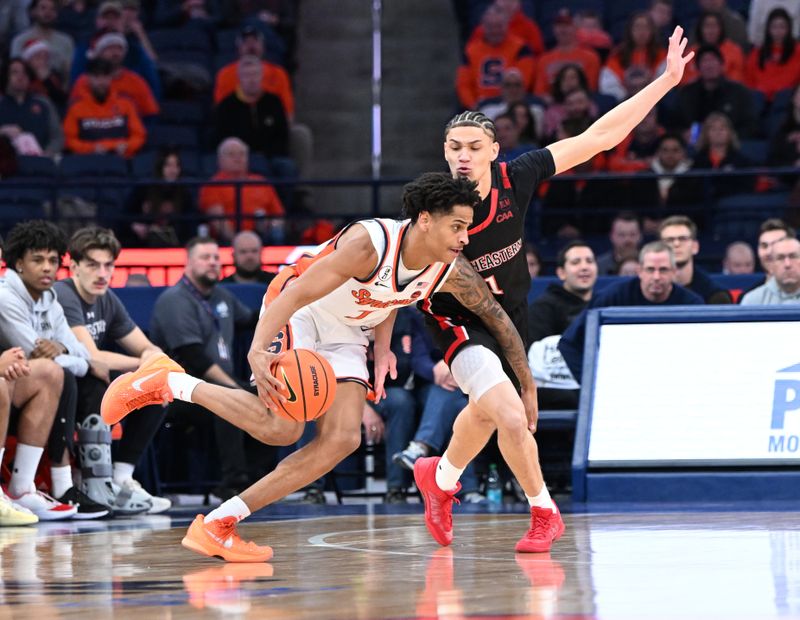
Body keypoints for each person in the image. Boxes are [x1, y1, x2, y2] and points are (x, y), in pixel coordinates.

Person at [101, 172, 535, 561]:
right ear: (425, 219)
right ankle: (167, 379)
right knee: (282, 427)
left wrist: (384, 348)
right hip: (301, 310)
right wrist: (257, 349)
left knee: (343, 438)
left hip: (349, 330)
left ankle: (218, 524)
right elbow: (296, 294)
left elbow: (485, 316)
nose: (464, 238)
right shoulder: (368, 244)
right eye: (456, 227)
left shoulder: (445, 268)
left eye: (466, 227)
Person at [417, 26, 693, 554]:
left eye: (475, 146)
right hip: (456, 321)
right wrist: (384, 344)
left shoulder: (516, 176)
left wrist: (664, 82)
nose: (463, 156)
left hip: (512, 312)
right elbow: (396, 269)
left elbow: (598, 137)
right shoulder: (429, 202)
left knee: (484, 412)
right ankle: (545, 511)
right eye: (454, 147)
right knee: (512, 413)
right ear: (444, 151)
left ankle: (442, 477)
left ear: (494, 150)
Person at [53, 226, 172, 514]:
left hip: (86, 382)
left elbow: (149, 349)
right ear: (74, 266)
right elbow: (92, 357)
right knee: (98, 381)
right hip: (61, 385)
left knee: (158, 388)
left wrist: (150, 365)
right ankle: (95, 482)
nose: (102, 273)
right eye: (93, 265)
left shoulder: (107, 298)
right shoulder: (63, 293)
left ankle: (122, 477)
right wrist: (142, 363)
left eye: (108, 265)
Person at [147, 236, 258, 501]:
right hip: (176, 392)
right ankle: (234, 484)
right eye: (205, 257)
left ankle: (260, 480)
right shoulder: (175, 300)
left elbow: (252, 320)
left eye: (216, 258)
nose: (212, 263)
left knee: (267, 400)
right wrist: (234, 389)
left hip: (214, 385)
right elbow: (193, 357)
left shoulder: (222, 296)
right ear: (188, 263)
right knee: (230, 402)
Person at [0, 220, 91, 520]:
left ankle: (22, 488)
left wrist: (62, 348)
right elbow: (29, 350)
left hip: (14, 391)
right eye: (37, 259)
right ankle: (63, 481)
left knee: (53, 373)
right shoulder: (5, 296)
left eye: (53, 260)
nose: (47, 268)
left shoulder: (51, 300)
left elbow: (82, 357)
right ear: (18, 264)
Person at [559, 242, 704, 382]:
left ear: (674, 272)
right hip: (621, 382)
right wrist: (592, 384)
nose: (656, 277)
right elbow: (569, 344)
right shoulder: (612, 298)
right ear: (639, 271)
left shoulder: (692, 305)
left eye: (664, 270)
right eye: (650, 269)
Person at [527, 241, 597, 410]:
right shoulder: (543, 307)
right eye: (575, 262)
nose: (584, 267)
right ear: (561, 272)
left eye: (589, 261)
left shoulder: (604, 304)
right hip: (554, 389)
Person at [198, 137, 284, 244]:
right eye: (231, 154)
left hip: (263, 235)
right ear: (220, 160)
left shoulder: (261, 182)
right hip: (230, 240)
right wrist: (240, 243)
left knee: (277, 234)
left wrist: (272, 225)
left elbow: (278, 215)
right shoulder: (213, 186)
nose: (238, 158)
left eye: (242, 154)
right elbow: (219, 222)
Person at [62, 57, 146, 158]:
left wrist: (128, 145)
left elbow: (139, 135)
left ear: (110, 78)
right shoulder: (76, 107)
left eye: (105, 76)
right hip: (88, 162)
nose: (101, 82)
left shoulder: (126, 103)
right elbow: (69, 140)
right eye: (96, 77)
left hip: (122, 160)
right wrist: (91, 148)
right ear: (88, 78)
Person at [457, 4, 536, 110]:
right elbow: (463, 85)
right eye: (490, 26)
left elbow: (522, 82)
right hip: (479, 105)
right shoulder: (471, 51)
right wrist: (474, 106)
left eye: (499, 26)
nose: (495, 31)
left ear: (507, 25)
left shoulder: (521, 49)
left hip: (511, 105)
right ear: (483, 27)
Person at [69, 28, 159, 119]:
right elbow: (74, 113)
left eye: (119, 48)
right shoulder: (83, 81)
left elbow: (150, 113)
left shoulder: (136, 81)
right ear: (99, 53)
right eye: (110, 48)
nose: (115, 53)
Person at [214, 55, 289, 159]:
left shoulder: (274, 102)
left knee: (285, 166)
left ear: (262, 76)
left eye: (255, 74)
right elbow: (221, 138)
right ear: (239, 78)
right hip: (238, 159)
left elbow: (282, 135)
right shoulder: (226, 105)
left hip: (272, 158)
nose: (252, 80)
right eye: (247, 75)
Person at [675, 45, 758, 138]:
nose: (709, 65)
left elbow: (750, 125)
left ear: (722, 65)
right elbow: (674, 125)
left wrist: (729, 137)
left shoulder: (739, 92)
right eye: (705, 61)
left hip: (731, 145)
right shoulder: (686, 93)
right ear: (698, 68)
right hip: (694, 145)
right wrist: (683, 134)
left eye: (713, 60)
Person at [213, 24, 294, 119]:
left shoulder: (278, 73)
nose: (251, 46)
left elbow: (287, 109)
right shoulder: (225, 74)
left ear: (263, 46)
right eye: (246, 42)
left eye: (255, 41)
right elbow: (220, 109)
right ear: (239, 48)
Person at [123, 148, 196, 248]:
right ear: (159, 167)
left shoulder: (184, 192)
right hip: (143, 244)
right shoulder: (143, 188)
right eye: (168, 165)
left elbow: (190, 223)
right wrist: (134, 225)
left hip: (176, 246)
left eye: (177, 166)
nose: (173, 170)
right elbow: (124, 215)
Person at [658, 215, 732, 303]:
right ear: (659, 248)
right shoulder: (645, 293)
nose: (676, 244)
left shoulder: (715, 295)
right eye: (669, 240)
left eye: (683, 239)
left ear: (695, 247)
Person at [0, 58, 63, 157]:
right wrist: (2, 131)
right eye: (14, 72)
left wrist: (48, 154)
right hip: (5, 166)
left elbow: (57, 137)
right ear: (5, 76)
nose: (21, 76)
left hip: (40, 164)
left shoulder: (44, 103)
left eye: (25, 73)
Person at [533, 9, 601, 96]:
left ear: (576, 27)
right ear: (553, 29)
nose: (563, 29)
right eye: (559, 25)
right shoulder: (544, 60)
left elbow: (591, 90)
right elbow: (540, 94)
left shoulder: (591, 58)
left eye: (567, 25)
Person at [600, 13, 666, 101]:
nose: (642, 32)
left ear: (652, 31)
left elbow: (666, 83)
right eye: (637, 27)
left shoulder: (662, 55)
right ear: (630, 30)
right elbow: (609, 86)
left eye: (646, 27)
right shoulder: (617, 56)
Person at [10, 0, 74, 86]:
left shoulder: (66, 41)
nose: (48, 12)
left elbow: (69, 74)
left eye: (52, 9)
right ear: (33, 11)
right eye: (43, 8)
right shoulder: (20, 40)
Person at [745, 8, 800, 102]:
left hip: (787, 100)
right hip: (760, 98)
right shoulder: (757, 53)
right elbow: (748, 80)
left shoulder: (797, 51)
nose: (778, 32)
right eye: (774, 27)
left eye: (782, 27)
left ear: (789, 29)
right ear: (768, 29)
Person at [683, 11, 745, 84]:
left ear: (721, 28)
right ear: (700, 29)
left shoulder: (734, 51)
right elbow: (685, 82)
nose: (711, 31)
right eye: (707, 26)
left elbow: (737, 81)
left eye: (714, 26)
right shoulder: (690, 53)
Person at [740, 237, 800, 304]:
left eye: (793, 256)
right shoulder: (752, 300)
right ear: (771, 266)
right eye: (780, 258)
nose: (787, 264)